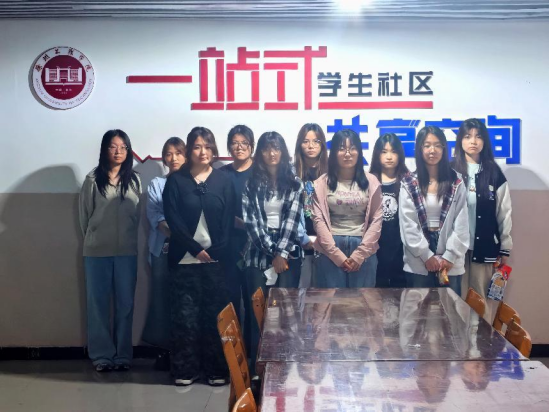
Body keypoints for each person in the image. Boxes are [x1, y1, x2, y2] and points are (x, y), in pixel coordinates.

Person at [163, 127, 235, 387]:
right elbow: (173, 219)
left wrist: (215, 251)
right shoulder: (176, 181)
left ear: (213, 150)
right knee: (185, 317)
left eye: (207, 146)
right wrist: (195, 249)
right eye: (196, 146)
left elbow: (228, 221)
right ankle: (185, 369)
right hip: (184, 260)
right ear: (189, 150)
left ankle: (216, 369)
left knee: (214, 316)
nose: (203, 152)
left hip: (216, 261)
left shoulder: (223, 181)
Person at [79, 129, 142, 372]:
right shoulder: (92, 179)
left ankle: (123, 355)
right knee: (98, 305)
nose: (118, 152)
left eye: (123, 147)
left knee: (125, 304)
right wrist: (95, 237)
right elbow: (84, 218)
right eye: (113, 147)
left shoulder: (134, 180)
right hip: (96, 252)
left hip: (126, 252)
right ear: (105, 150)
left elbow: (136, 217)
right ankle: (102, 355)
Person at [242, 131, 304, 372]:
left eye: (276, 148)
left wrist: (282, 253)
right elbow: (252, 223)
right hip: (257, 253)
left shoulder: (295, 183)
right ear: (260, 153)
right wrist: (273, 252)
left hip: (288, 254)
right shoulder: (251, 183)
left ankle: (283, 365)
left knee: (286, 313)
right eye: (267, 148)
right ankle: (258, 368)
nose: (271, 153)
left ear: (283, 151)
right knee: (257, 312)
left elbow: (292, 220)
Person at [452, 118, 513, 322]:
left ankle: (480, 342)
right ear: (460, 141)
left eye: (478, 136)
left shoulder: (493, 172)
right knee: (455, 300)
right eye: (467, 136)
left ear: (485, 141)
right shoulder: (450, 171)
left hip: (484, 248)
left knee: (480, 301)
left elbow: (504, 212)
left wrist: (505, 247)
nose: (473, 141)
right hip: (455, 250)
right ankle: (458, 342)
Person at [400, 126, 470, 295]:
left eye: (438, 145)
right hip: (418, 259)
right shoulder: (409, 183)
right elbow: (408, 225)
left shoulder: (456, 181)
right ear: (419, 149)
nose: (433, 150)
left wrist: (450, 255)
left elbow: (461, 223)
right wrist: (426, 255)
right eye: (427, 145)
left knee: (450, 309)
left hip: (450, 258)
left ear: (444, 149)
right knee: (417, 309)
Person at [312, 129, 383, 289]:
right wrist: (336, 255)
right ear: (333, 153)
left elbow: (377, 220)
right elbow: (318, 220)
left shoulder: (372, 182)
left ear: (359, 152)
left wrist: (360, 254)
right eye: (342, 148)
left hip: (364, 249)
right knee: (331, 302)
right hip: (329, 250)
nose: (347, 153)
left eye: (352, 148)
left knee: (362, 302)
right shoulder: (321, 183)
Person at [142, 137, 186, 370]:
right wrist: (175, 233)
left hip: (189, 251)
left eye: (178, 153)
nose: (174, 158)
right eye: (169, 154)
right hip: (163, 247)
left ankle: (184, 350)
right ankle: (163, 350)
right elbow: (155, 215)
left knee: (185, 299)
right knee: (161, 298)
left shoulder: (193, 182)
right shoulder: (157, 184)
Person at [220, 125, 255, 350]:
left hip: (257, 245)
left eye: (244, 143)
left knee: (254, 300)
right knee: (230, 299)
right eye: (234, 143)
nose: (239, 147)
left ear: (251, 146)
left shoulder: (261, 172)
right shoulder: (221, 175)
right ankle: (233, 355)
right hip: (229, 245)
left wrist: (250, 225)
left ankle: (253, 352)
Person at [369, 133, 410, 288]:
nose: (389, 157)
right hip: (375, 248)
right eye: (384, 152)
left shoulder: (408, 181)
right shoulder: (369, 180)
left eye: (394, 152)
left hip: (402, 249)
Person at [294, 123, 328, 287]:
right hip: (300, 242)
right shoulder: (291, 173)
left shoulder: (332, 172)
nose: (311, 146)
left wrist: (324, 239)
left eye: (316, 141)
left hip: (327, 243)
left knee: (325, 295)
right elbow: (288, 211)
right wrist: (304, 239)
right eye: (306, 141)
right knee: (300, 294)